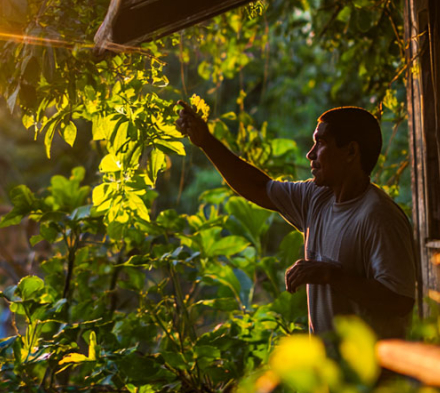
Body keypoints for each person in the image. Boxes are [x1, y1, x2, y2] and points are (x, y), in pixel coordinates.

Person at [175, 101, 416, 339]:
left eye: (320, 143)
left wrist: (330, 275)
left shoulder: (379, 216)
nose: (310, 154)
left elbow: (400, 300)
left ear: (351, 152)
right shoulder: (316, 197)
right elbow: (259, 187)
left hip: (372, 375)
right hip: (329, 374)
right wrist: (206, 142)